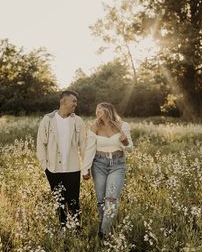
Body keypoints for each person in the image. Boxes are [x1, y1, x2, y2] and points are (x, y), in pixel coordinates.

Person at [82, 102, 133, 238]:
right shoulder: (94, 127)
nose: (97, 111)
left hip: (117, 164)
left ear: (108, 110)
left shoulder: (123, 126)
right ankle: (105, 224)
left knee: (111, 199)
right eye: (96, 108)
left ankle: (104, 233)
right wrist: (85, 169)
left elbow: (130, 148)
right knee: (101, 200)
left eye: (100, 109)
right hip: (98, 164)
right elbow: (90, 149)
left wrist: (125, 141)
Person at [37, 90, 86, 227]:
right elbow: (41, 143)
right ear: (63, 102)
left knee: (74, 201)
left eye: (76, 101)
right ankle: (63, 227)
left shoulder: (78, 121)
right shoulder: (48, 119)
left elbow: (83, 145)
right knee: (59, 201)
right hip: (53, 168)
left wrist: (86, 167)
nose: (75, 104)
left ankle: (76, 228)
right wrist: (44, 166)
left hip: (73, 168)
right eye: (73, 101)